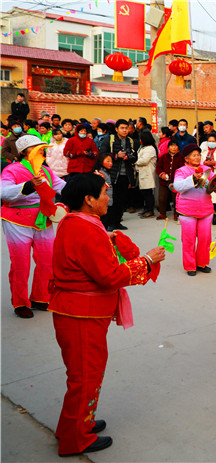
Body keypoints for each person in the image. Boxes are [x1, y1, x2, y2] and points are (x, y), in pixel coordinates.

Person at [49, 173, 165, 456]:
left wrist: (108, 239)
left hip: (78, 311)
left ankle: (76, 425)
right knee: (85, 375)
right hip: (81, 315)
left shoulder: (77, 222)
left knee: (84, 373)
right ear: (89, 200)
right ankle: (75, 439)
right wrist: (146, 260)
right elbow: (109, 276)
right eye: (103, 192)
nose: (107, 197)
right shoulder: (86, 229)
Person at [1, 135, 67, 318]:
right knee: (21, 263)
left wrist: (90, 183)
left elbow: (64, 187)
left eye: (42, 147)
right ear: (25, 152)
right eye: (37, 147)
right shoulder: (11, 170)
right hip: (17, 220)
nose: (42, 150)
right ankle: (20, 302)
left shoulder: (45, 170)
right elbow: (4, 192)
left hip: (43, 218)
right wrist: (29, 185)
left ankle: (41, 297)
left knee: (47, 261)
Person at [173, 144, 215, 276]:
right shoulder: (181, 171)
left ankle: (202, 263)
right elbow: (178, 186)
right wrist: (192, 178)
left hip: (206, 210)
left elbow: (215, 183)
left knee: (205, 239)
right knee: (189, 239)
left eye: (198, 155)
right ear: (186, 158)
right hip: (187, 211)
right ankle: (190, 265)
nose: (197, 157)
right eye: (194, 155)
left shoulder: (207, 169)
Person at [99, 119, 137, 230]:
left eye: (126, 128)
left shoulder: (130, 141)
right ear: (116, 129)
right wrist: (116, 156)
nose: (124, 130)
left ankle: (117, 222)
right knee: (110, 200)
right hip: (112, 174)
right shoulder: (109, 139)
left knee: (121, 200)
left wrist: (129, 157)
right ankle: (108, 223)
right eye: (122, 128)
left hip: (126, 175)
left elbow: (135, 157)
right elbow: (102, 155)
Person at [156, 140, 184, 221]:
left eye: (175, 146)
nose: (173, 148)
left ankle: (176, 214)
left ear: (178, 147)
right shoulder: (164, 157)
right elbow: (158, 167)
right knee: (162, 198)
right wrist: (162, 174)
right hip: (164, 182)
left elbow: (183, 169)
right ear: (168, 148)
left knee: (176, 199)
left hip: (176, 182)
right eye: (171, 146)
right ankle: (162, 213)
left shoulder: (181, 157)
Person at [135, 131, 158, 219]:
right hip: (143, 172)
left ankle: (150, 210)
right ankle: (146, 209)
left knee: (148, 193)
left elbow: (144, 160)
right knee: (144, 192)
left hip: (148, 173)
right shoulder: (143, 148)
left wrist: (135, 161)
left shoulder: (150, 149)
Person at [94, 154, 115, 231]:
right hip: (104, 200)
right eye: (107, 161)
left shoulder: (105, 172)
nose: (110, 163)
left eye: (111, 161)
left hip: (108, 199)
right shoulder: (100, 173)